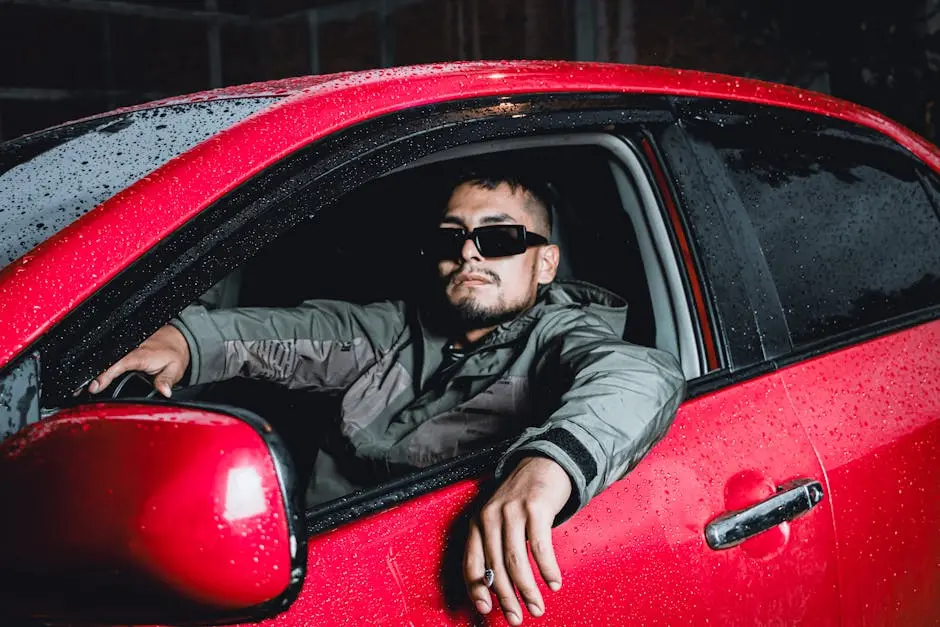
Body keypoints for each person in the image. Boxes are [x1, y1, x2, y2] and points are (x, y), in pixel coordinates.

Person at [89, 161, 686, 626]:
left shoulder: (562, 335)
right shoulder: (399, 327)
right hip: (313, 560)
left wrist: (550, 462)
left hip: (410, 585)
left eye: (499, 239)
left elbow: (641, 375)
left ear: (546, 263)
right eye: (454, 237)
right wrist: (188, 340)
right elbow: (296, 334)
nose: (469, 252)